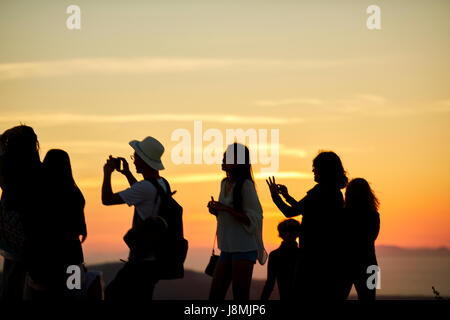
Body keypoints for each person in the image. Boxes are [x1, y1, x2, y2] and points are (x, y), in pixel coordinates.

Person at [266, 151, 348, 299]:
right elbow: (305, 209)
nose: (312, 171)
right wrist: (287, 196)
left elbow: (291, 212)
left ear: (324, 169)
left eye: (315, 167)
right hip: (328, 256)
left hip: (310, 257)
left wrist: (274, 196)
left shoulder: (318, 192)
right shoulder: (335, 193)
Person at [102, 136, 168, 300]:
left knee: (111, 294)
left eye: (135, 157)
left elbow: (107, 199)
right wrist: (127, 174)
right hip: (155, 259)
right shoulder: (162, 183)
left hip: (141, 261)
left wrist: (107, 173)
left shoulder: (145, 187)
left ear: (144, 160)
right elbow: (142, 192)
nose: (133, 160)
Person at [24, 149, 88, 299]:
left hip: (42, 260)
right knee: (73, 294)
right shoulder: (75, 193)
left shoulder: (37, 193)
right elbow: (79, 227)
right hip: (73, 257)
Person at [207, 143, 267, 301]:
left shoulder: (246, 186)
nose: (222, 159)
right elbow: (228, 217)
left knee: (240, 296)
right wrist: (216, 211)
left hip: (244, 247)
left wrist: (225, 209)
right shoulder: (224, 183)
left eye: (227, 157)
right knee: (215, 294)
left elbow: (254, 219)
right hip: (227, 247)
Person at [0, 125, 42, 300]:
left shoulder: (7, 164)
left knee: (12, 277)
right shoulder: (40, 168)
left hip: (13, 226)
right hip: (37, 230)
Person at [342, 178, 380, 300]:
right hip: (370, 264)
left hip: (345, 263)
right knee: (369, 299)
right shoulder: (374, 215)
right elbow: (372, 237)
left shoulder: (342, 214)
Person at [261, 219, 302, 300]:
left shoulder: (275, 255)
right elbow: (270, 283)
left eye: (291, 231)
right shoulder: (300, 254)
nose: (288, 234)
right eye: (287, 231)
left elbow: (270, 283)